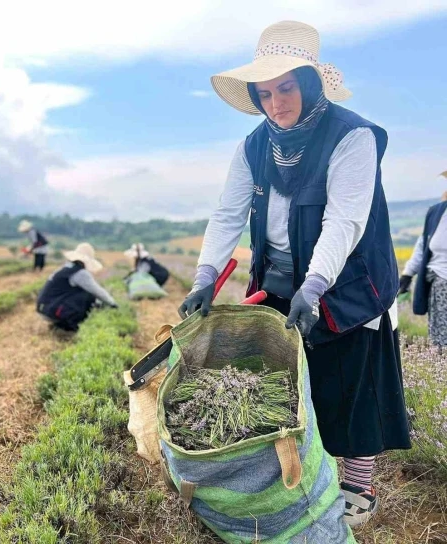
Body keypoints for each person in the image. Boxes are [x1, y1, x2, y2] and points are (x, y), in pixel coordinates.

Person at [178, 21, 410, 527]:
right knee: (291, 381)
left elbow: (344, 219)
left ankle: (357, 486)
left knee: (352, 382)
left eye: (286, 88)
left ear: (308, 83)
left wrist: (317, 284)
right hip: (281, 281)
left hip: (346, 281)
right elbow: (228, 214)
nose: (276, 103)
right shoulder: (254, 146)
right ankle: (306, 471)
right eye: (265, 93)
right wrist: (205, 276)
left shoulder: (354, 136)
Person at [398, 188, 447, 348]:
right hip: (438, 285)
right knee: (440, 340)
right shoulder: (437, 212)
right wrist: (407, 274)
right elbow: (423, 246)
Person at [37, 242, 117, 331]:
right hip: (52, 311)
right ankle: (68, 325)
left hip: (45, 308)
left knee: (83, 294)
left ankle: (61, 324)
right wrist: (113, 303)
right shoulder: (80, 273)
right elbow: (97, 291)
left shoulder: (66, 268)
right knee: (87, 296)